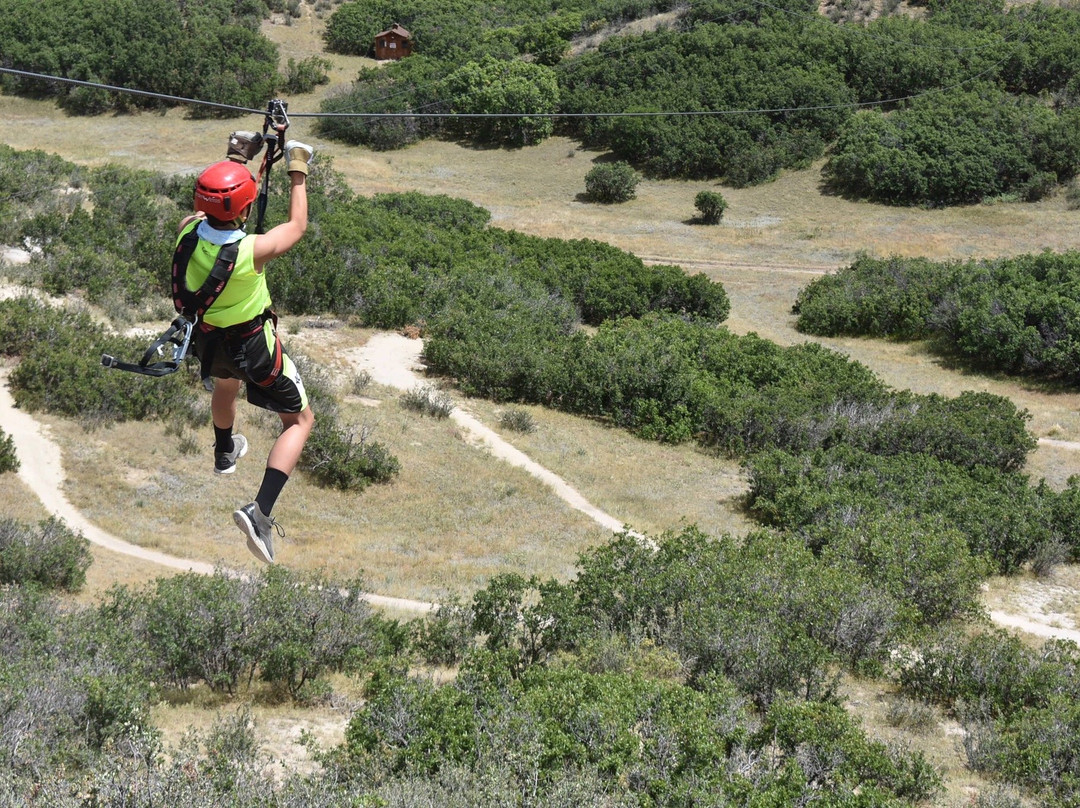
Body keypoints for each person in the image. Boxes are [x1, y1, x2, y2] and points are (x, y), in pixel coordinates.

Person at [175, 138, 315, 564]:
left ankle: (224, 450)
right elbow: (296, 226)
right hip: (253, 345)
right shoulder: (250, 251)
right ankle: (261, 512)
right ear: (245, 209)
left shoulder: (185, 232)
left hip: (209, 340)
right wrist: (298, 168)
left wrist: (239, 156)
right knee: (300, 420)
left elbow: (210, 206)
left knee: (225, 386)